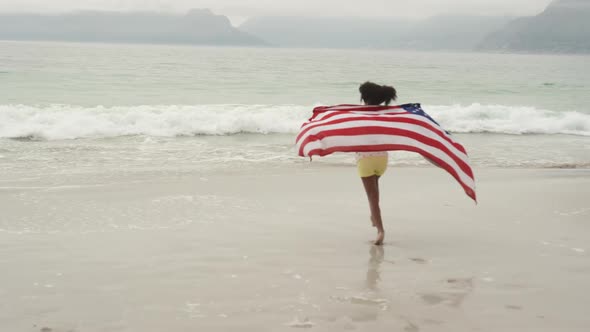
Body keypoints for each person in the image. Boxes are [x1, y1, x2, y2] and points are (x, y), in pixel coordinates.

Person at [357, 82, 397, 245]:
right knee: (374, 191)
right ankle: (374, 216)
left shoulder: (357, 113)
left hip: (365, 159)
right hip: (382, 159)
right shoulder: (385, 114)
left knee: (372, 197)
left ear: (364, 97)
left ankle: (380, 230)